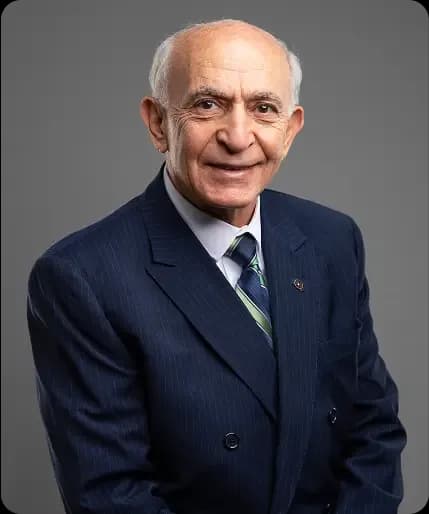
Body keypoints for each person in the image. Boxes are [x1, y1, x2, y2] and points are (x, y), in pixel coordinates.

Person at [26, 19, 406, 514]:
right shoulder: (82, 277)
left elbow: (374, 428)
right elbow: (112, 495)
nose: (238, 136)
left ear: (290, 130)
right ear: (158, 123)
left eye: (264, 109)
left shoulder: (332, 239)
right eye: (208, 104)